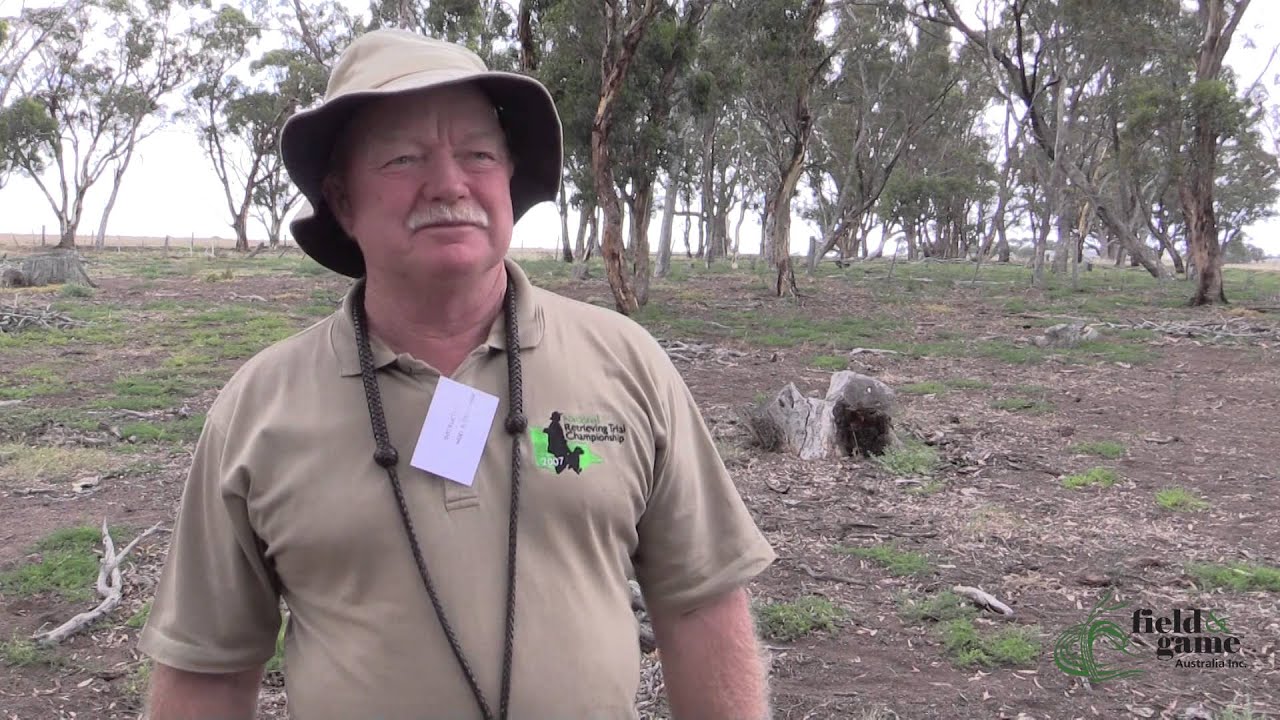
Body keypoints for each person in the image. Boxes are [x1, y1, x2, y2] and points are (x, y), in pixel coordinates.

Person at [138, 27, 776, 720]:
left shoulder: (626, 364)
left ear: (506, 179)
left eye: (477, 153)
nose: (449, 184)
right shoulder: (258, 410)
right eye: (403, 159)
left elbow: (702, 609)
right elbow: (207, 673)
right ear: (342, 199)